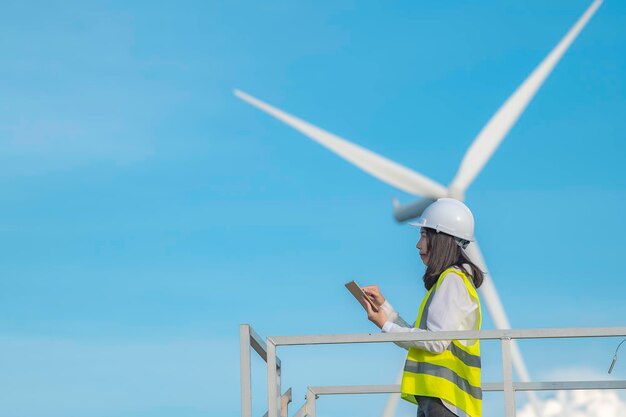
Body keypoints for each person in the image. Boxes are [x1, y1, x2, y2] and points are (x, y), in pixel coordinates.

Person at [362, 198, 484, 417]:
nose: (418, 245)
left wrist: (387, 327)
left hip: (443, 401)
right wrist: (385, 310)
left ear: (441, 239)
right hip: (438, 399)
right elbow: (427, 338)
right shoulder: (451, 281)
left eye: (423, 236)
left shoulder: (452, 280)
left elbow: (435, 341)